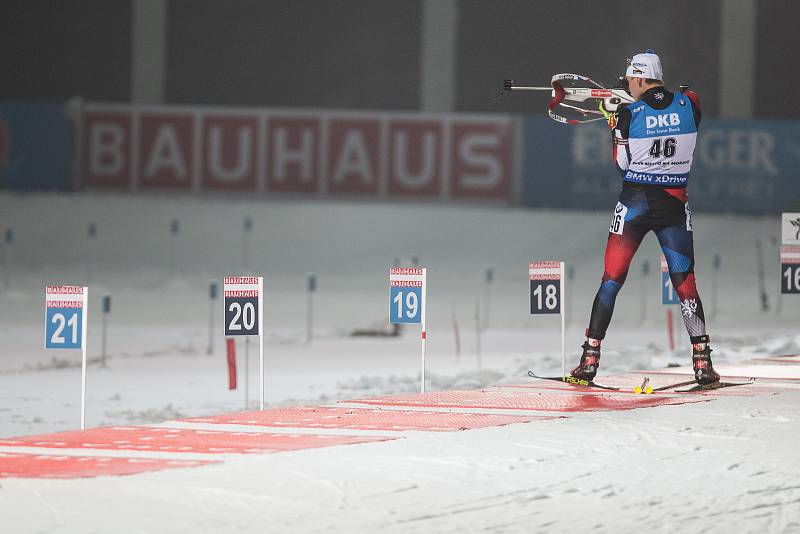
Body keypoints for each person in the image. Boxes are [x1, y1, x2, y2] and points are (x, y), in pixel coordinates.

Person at [570, 50, 720, 385]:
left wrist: (614, 122)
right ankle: (702, 363)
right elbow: (683, 94)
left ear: (638, 78)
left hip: (634, 204)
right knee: (686, 285)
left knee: (611, 280)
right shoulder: (689, 105)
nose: (628, 87)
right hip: (673, 207)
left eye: (629, 81)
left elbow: (622, 164)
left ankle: (589, 360)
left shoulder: (629, 113)